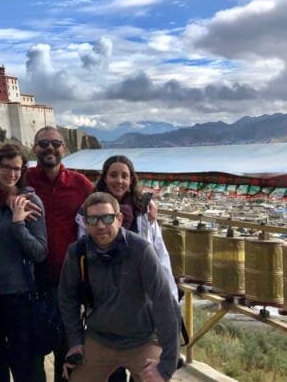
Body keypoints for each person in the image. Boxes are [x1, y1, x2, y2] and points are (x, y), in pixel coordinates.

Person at [59, 192, 181, 382]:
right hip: (99, 338)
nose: (100, 226)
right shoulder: (77, 252)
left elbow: (164, 303)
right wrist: (75, 342)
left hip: (142, 339)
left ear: (119, 219)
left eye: (107, 218)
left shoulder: (140, 250)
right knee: (75, 377)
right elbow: (67, 299)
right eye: (93, 219)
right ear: (85, 222)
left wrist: (166, 366)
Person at [0, 143, 48, 382]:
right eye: (6, 167)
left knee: (27, 368)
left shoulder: (31, 202)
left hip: (20, 296)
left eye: (17, 168)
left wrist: (18, 224)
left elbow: (40, 253)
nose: (11, 173)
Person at [26, 127, 94, 382]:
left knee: (66, 354)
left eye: (56, 143)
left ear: (64, 148)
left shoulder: (80, 184)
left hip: (68, 284)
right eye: (43, 143)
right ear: (34, 148)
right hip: (30, 282)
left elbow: (109, 205)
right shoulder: (23, 179)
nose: (50, 148)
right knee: (31, 353)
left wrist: (143, 200)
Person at [78, 155, 177, 299]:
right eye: (113, 175)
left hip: (140, 291)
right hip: (103, 293)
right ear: (105, 178)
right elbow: (83, 251)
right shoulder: (90, 211)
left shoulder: (143, 212)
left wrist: (171, 296)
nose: (119, 181)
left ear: (131, 181)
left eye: (125, 176)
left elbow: (160, 254)